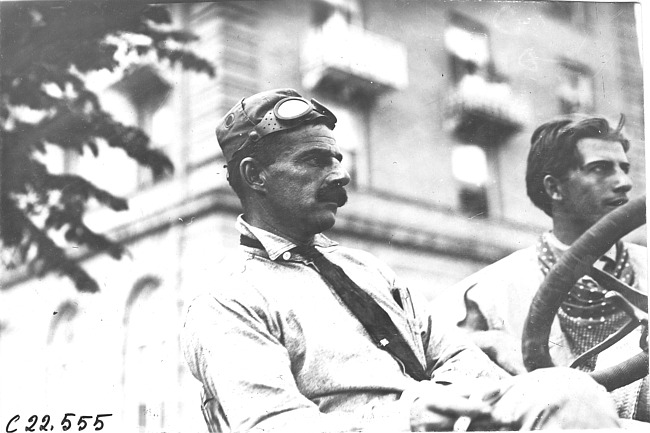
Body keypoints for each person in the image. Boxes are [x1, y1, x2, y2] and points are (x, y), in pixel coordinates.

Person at [182, 90, 623, 432]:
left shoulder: (368, 270)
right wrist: (409, 418)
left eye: (337, 158)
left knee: (578, 394)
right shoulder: (226, 298)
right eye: (314, 160)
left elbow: (456, 359)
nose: (341, 173)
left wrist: (459, 400)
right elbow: (272, 425)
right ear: (254, 176)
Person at [431, 114, 648, 421]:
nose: (624, 182)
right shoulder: (492, 291)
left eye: (624, 169)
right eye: (600, 169)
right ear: (554, 188)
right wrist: (487, 342)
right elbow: (429, 352)